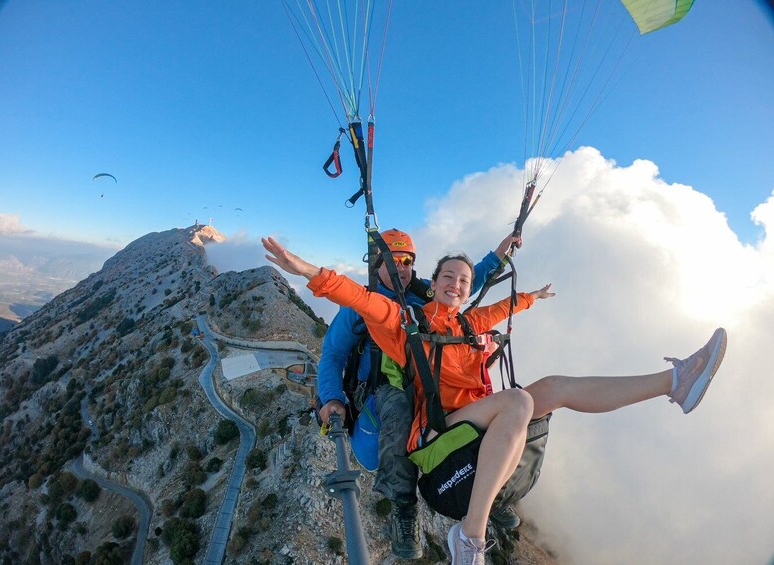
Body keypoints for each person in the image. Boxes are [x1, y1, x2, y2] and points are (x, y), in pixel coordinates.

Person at [262, 237, 726, 565]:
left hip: (475, 419)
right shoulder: (405, 321)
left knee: (555, 387)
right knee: (519, 403)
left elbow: (505, 304)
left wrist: (533, 296)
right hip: (435, 433)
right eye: (449, 277)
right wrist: (307, 271)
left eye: (464, 281)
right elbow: (359, 297)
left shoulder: (469, 322)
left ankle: (673, 381)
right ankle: (471, 537)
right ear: (435, 280)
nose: (457, 285)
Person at [316, 228, 522, 559]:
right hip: (381, 386)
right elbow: (333, 355)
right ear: (377, 262)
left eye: (407, 261)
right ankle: (403, 508)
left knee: (474, 400)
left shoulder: (424, 293)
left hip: (426, 377)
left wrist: (502, 252)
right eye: (393, 260)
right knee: (399, 407)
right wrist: (331, 397)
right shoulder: (360, 305)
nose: (401, 268)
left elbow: (468, 281)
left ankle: (488, 493)